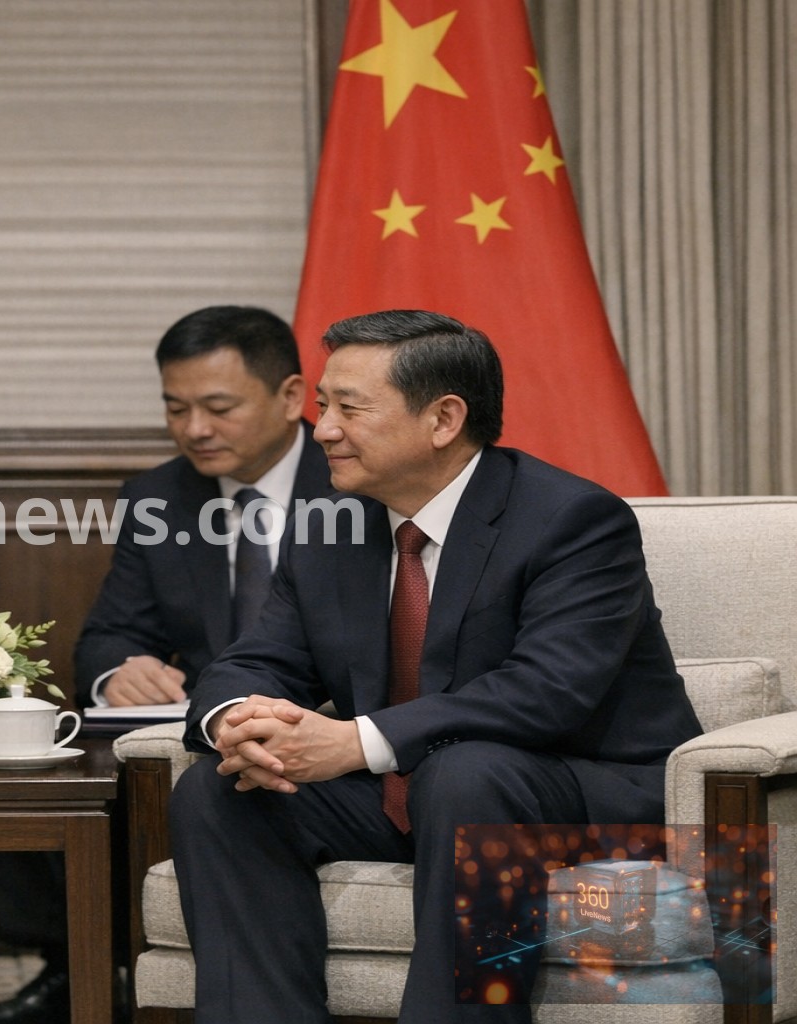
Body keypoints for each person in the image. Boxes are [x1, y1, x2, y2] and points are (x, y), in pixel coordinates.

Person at [169, 309, 703, 1023]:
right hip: (417, 794)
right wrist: (240, 721)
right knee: (222, 787)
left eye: (348, 409)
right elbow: (257, 660)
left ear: (444, 418)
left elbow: (545, 694)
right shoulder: (333, 524)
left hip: (575, 792)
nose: (322, 428)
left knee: (467, 770)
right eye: (323, 406)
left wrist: (352, 741)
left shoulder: (573, 520)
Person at [0, 306, 331, 1024]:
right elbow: (105, 635)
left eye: (218, 407)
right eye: (176, 407)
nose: (194, 428)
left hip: (315, 732)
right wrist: (118, 669)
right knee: (14, 757)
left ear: (290, 397)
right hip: (193, 730)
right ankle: (74, 967)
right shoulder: (159, 497)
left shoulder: (357, 481)